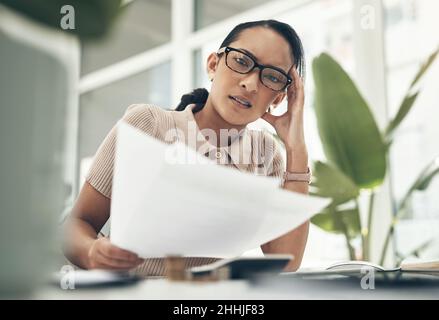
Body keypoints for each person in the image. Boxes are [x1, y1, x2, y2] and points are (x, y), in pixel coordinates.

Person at [62, 19, 310, 275]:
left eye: (271, 77)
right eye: (241, 61)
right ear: (213, 65)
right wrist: (92, 253)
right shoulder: (147, 125)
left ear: (278, 98)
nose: (251, 84)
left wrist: (296, 149)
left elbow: (287, 262)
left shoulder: (265, 154)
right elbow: (78, 224)